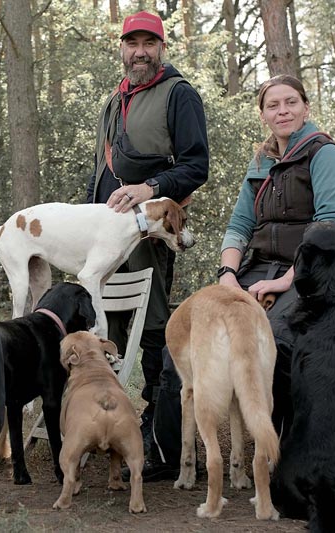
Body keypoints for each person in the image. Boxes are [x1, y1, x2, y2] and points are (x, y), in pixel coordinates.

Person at [86, 11, 209, 481]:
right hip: (103, 243)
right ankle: (108, 436)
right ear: (121, 48)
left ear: (161, 48)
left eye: (149, 43)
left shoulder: (179, 95)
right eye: (132, 43)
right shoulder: (112, 101)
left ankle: (163, 448)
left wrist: (151, 185)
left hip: (149, 238)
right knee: (106, 336)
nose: (140, 51)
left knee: (155, 334)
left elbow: (196, 166)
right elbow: (99, 177)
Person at [218, 74, 335, 434]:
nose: (283, 111)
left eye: (291, 102)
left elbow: (333, 225)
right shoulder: (260, 163)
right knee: (199, 328)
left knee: (274, 340)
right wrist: (227, 276)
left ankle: (281, 448)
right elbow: (239, 226)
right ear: (262, 114)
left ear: (306, 107)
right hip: (259, 268)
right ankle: (175, 456)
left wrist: (286, 280)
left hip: (311, 271)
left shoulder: (323, 153)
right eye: (273, 105)